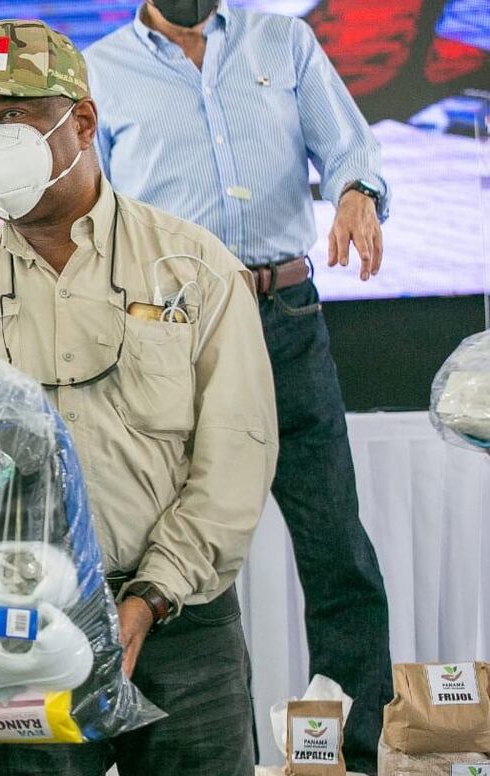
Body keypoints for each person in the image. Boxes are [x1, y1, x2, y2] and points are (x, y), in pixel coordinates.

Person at [0, 20, 278, 776]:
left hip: (177, 626)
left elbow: (238, 455)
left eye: (11, 116)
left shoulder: (193, 268)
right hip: (5, 628)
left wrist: (152, 596)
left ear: (84, 122)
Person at [84, 3, 393, 771]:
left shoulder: (283, 41)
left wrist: (357, 192)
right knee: (185, 550)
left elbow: (350, 144)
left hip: (285, 317)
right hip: (173, 333)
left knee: (335, 544)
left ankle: (355, 753)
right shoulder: (101, 70)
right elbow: (96, 221)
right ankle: (224, 750)